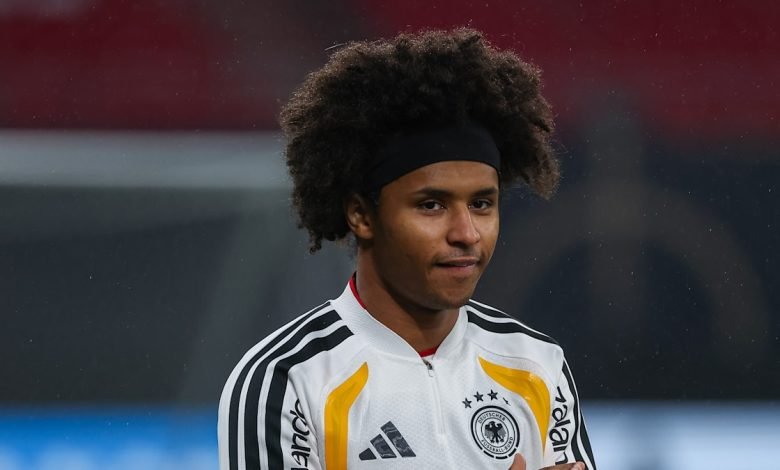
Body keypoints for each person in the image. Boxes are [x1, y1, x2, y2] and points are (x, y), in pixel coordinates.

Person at [218, 28, 596, 470]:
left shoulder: (535, 363)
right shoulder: (285, 380)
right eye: (432, 205)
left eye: (481, 204)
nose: (467, 233)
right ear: (361, 215)